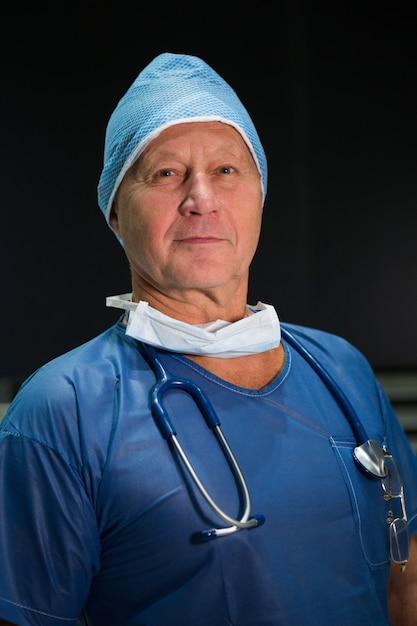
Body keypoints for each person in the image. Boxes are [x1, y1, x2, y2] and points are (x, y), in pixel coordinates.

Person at [0, 52, 416, 626]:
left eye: (227, 170)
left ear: (259, 197)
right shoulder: (62, 412)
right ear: (115, 213)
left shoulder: (340, 369)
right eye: (166, 173)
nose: (202, 197)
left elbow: (405, 579)